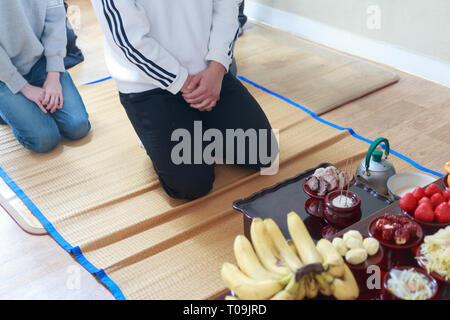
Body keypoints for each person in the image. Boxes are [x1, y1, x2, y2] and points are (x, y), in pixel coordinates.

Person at [91, 0, 278, 200]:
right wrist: (184, 82)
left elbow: (226, 5)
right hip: (150, 83)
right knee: (192, 186)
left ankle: (195, 127)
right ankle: (160, 135)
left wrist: (217, 67)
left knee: (263, 153)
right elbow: (127, 39)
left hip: (208, 71)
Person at [0, 0, 91, 153]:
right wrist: (22, 86)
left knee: (78, 127)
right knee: (45, 140)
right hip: (3, 77)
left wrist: (54, 75)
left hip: (39, 60)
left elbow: (55, 19)